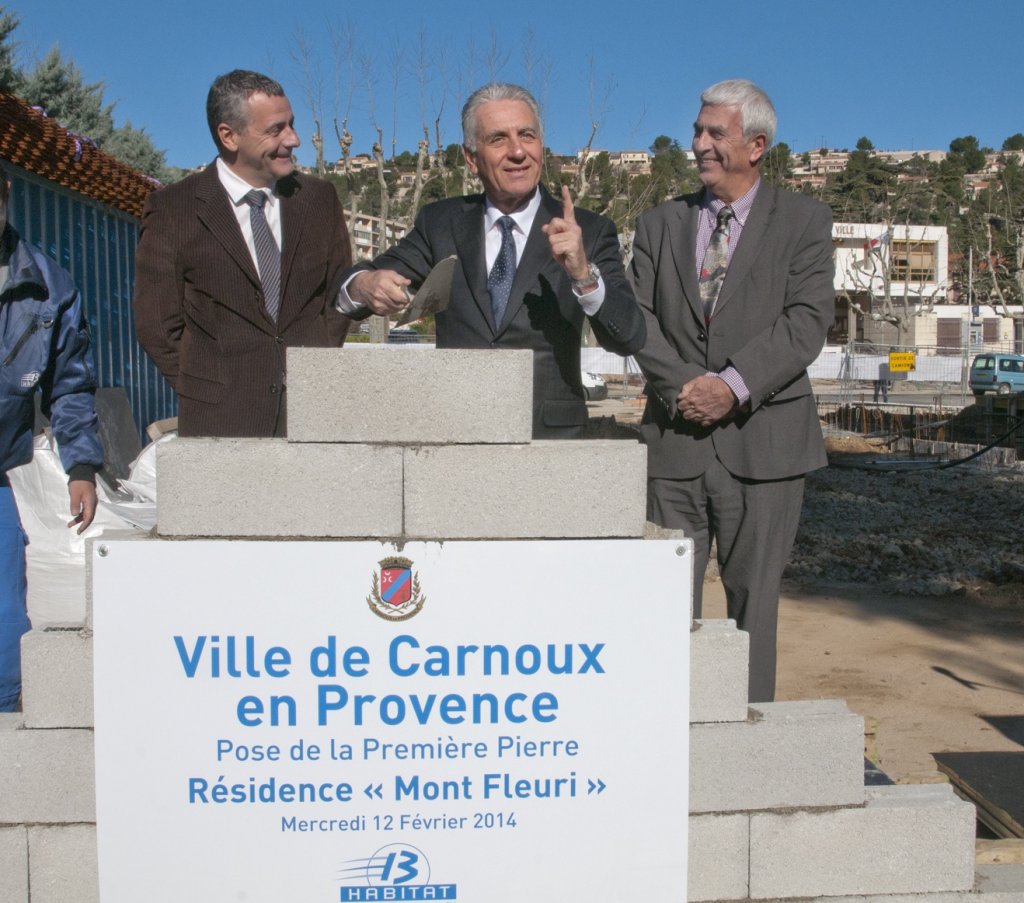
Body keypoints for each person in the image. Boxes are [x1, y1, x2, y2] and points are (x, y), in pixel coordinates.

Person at [630, 80, 834, 702]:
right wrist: (688, 387)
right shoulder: (659, 223)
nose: (699, 144)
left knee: (754, 610)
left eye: (715, 133)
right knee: (663, 609)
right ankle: (665, 734)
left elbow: (806, 323)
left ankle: (750, 744)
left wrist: (732, 387)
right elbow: (637, 318)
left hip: (765, 448)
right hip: (674, 441)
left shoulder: (803, 221)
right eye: (698, 130)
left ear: (757, 145)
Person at [339, 82, 645, 438]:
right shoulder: (440, 223)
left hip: (551, 443)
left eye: (527, 135)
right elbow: (361, 280)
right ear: (471, 158)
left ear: (541, 148)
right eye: (499, 139)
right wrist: (364, 285)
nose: (518, 151)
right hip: (457, 434)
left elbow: (630, 337)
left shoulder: (588, 231)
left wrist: (582, 275)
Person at [133, 70, 353, 438]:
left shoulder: (318, 200)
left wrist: (314, 368)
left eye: (292, 125)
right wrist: (206, 389)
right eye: (276, 129)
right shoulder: (174, 209)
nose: (293, 140)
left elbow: (336, 298)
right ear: (228, 135)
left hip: (312, 419)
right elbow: (156, 325)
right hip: (219, 425)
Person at [0, 165, 103, 711]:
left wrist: (81, 467)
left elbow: (70, 385)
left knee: (8, 622)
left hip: (3, 469)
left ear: (6, 196)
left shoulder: (48, 286)